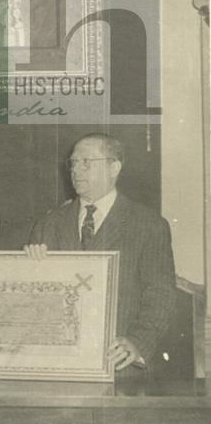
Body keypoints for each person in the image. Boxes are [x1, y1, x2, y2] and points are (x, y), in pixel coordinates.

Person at [25, 133, 176, 376]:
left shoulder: (148, 224)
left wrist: (137, 343)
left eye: (86, 162)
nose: (76, 170)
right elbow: (31, 301)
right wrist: (29, 269)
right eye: (73, 163)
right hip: (57, 366)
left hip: (120, 366)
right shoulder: (48, 224)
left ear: (114, 167)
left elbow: (160, 295)